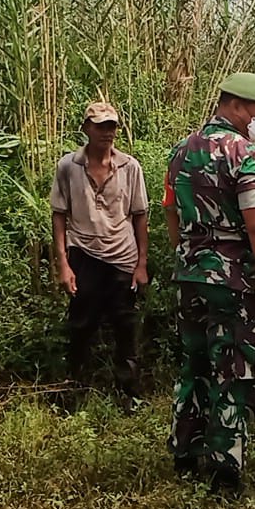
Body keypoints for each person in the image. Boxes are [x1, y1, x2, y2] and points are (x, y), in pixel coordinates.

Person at [162, 72, 255, 496]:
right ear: (238, 106)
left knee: (196, 361)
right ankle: (226, 470)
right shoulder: (245, 155)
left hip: (189, 274)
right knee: (234, 368)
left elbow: (169, 210)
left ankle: (185, 450)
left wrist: (188, 254)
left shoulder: (182, 149)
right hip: (234, 281)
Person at [50, 101, 149, 401]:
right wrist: (63, 264)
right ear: (86, 129)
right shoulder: (69, 166)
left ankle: (128, 393)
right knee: (81, 324)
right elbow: (58, 214)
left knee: (125, 326)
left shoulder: (130, 167)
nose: (108, 132)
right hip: (84, 254)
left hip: (122, 256)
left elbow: (141, 214)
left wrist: (142, 263)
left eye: (112, 126)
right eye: (101, 126)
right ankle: (76, 389)